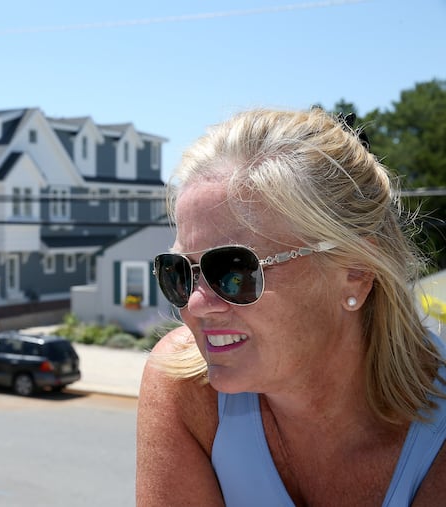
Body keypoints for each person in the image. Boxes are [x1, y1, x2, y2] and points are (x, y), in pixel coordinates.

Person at [136, 108, 446, 506]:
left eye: (234, 271)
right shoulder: (183, 386)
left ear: (355, 273)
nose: (195, 305)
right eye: (179, 272)